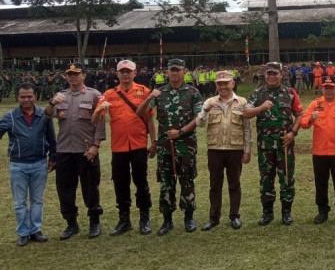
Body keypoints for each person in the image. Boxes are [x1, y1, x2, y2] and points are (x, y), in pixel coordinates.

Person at [137, 58, 202, 235]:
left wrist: (181, 132)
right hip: (165, 146)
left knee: (187, 180)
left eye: (178, 70)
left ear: (184, 71)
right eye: (171, 70)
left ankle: (189, 217)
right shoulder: (160, 92)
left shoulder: (193, 92)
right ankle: (167, 220)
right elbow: (140, 112)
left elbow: (199, 118)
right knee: (166, 182)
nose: (174, 73)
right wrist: (150, 96)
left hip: (186, 145)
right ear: (167, 72)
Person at [92, 59, 157, 236]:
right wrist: (99, 110)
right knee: (120, 184)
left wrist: (154, 141)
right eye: (122, 72)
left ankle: (144, 218)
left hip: (138, 144)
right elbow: (95, 120)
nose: (126, 74)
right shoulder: (110, 94)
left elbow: (150, 118)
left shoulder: (144, 91)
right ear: (117, 74)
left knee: (141, 182)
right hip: (119, 146)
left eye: (129, 71)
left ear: (135, 73)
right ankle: (124, 219)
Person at [45, 63, 106, 240]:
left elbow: (100, 123)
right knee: (64, 189)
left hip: (86, 150)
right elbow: (47, 115)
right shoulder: (60, 96)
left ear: (84, 76)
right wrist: (51, 103)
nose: (73, 77)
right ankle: (71, 223)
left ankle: (94, 221)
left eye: (76, 74)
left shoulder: (94, 95)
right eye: (70, 74)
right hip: (64, 151)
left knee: (90, 188)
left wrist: (95, 146)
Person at [243, 62, 303, 226]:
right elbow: (246, 113)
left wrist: (293, 133)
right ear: (265, 75)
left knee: (287, 178)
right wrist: (261, 107)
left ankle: (286, 212)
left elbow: (299, 114)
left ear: (281, 75)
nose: (271, 76)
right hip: (265, 146)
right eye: (269, 73)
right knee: (266, 179)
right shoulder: (258, 93)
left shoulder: (290, 93)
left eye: (275, 74)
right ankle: (267, 213)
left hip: (285, 144)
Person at [0, 83, 56, 246]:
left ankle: (35, 230)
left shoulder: (44, 115)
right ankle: (23, 232)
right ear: (18, 98)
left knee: (37, 200)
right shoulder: (9, 117)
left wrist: (53, 157)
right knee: (19, 202)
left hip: (39, 163)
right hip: (18, 165)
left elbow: (52, 138)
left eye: (29, 96)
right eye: (22, 97)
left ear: (35, 97)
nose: (26, 100)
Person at [197, 71, 252, 230]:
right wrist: (205, 110)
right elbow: (200, 124)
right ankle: (214, 217)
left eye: (226, 83)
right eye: (220, 84)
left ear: (232, 84)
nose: (223, 87)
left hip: (235, 149)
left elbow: (247, 129)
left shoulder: (241, 102)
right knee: (215, 185)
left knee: (234, 184)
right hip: (215, 149)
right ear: (216, 85)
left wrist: (247, 150)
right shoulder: (210, 102)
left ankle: (234, 216)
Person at [300, 76, 335, 225]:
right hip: (319, 152)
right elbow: (303, 123)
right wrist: (311, 119)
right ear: (322, 88)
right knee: (321, 183)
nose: (329, 90)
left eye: (331, 87)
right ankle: (322, 211)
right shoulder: (315, 104)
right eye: (326, 87)